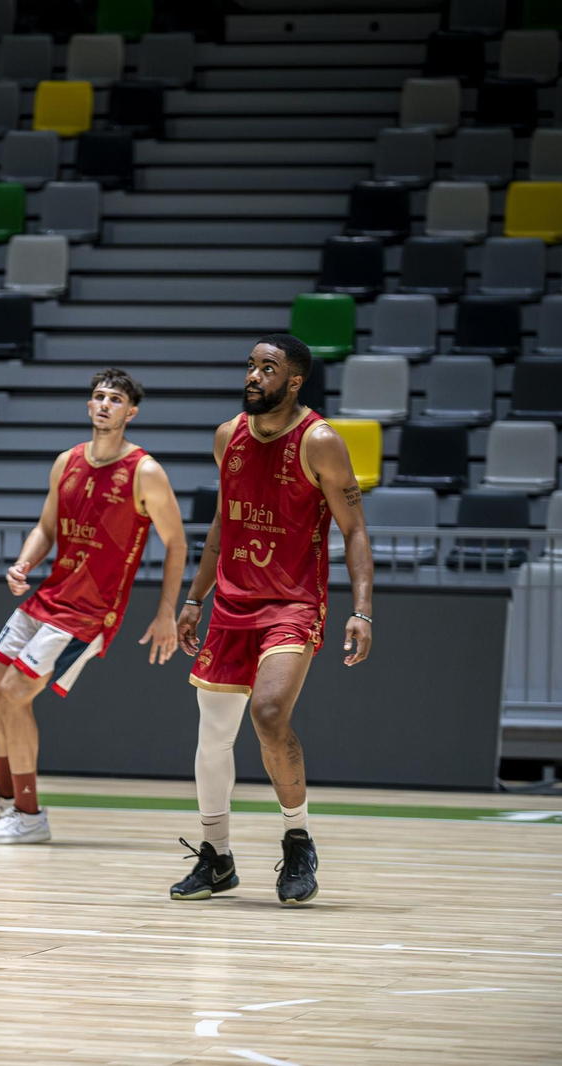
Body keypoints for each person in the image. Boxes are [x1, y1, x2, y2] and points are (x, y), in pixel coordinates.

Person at [170, 334, 374, 905]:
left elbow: (355, 529)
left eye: (268, 368)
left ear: (295, 380)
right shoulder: (227, 437)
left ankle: (297, 838)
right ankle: (217, 857)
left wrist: (362, 609)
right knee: (214, 735)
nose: (254, 376)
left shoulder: (320, 441)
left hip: (292, 603)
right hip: (231, 603)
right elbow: (222, 524)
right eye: (251, 366)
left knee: (267, 712)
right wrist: (195, 598)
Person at [0, 370, 187, 845]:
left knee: (15, 692)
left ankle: (29, 815)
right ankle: (4, 795)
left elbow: (177, 543)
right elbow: (46, 527)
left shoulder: (145, 471)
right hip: (50, 594)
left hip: (90, 612)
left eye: (115, 399)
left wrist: (166, 612)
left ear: (131, 412)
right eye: (99, 396)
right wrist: (24, 562)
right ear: (88, 405)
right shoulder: (67, 461)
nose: (105, 404)